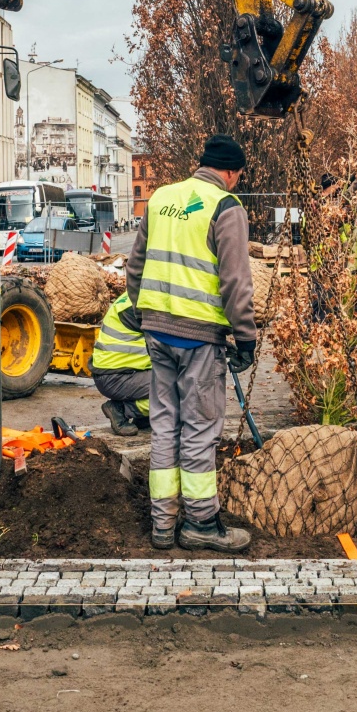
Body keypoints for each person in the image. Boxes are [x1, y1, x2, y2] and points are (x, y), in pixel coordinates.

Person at [124, 134, 255, 552]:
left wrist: (142, 310)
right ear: (231, 172)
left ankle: (162, 525)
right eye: (237, 176)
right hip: (198, 338)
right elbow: (236, 280)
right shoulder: (225, 206)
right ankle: (200, 523)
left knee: (165, 425)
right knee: (199, 429)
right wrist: (246, 337)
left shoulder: (161, 198)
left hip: (157, 333)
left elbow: (136, 265)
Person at [92, 292, 151, 436]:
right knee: (179, 384)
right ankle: (122, 409)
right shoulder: (144, 305)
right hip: (118, 377)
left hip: (114, 374)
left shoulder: (134, 294)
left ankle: (142, 415)